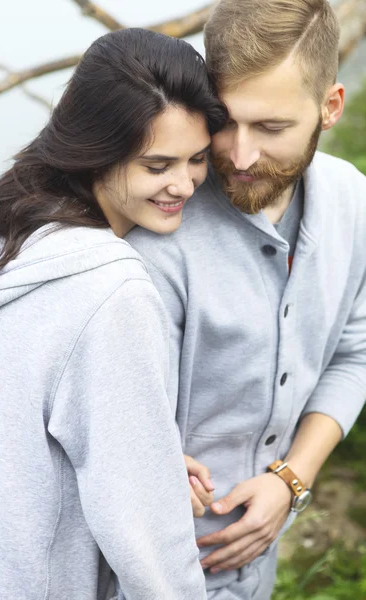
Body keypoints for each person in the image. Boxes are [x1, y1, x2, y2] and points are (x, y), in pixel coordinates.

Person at [0, 28, 228, 600]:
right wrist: (143, 479)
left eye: (199, 159)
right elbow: (147, 538)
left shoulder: (7, 235)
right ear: (96, 149)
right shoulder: (112, 289)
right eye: (157, 164)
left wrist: (144, 451)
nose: (183, 183)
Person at [126, 2, 366, 599]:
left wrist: (293, 476)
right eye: (224, 120)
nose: (239, 155)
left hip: (255, 570)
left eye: (272, 128)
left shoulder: (355, 203)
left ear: (331, 106)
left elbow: (355, 355)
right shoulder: (154, 228)